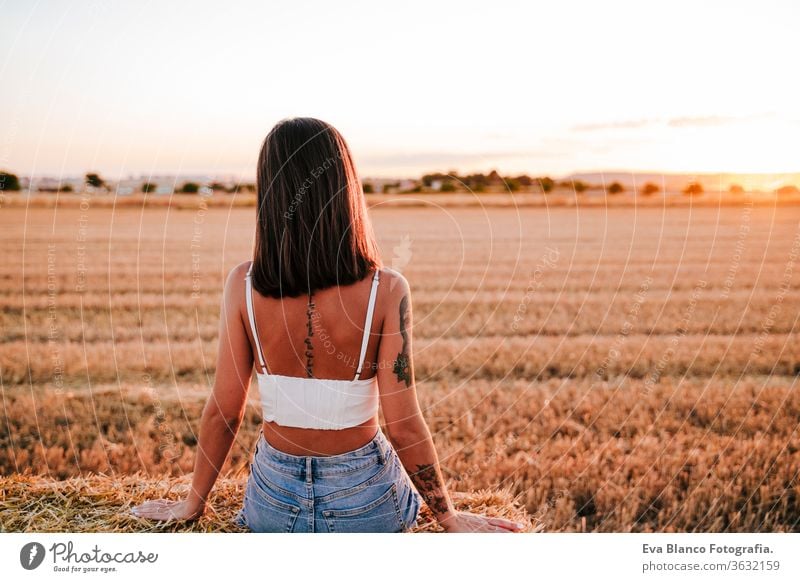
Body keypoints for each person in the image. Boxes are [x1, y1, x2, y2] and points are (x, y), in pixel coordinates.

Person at [131, 117, 523, 533]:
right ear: (344, 186)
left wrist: (194, 503)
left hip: (274, 502)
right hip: (365, 497)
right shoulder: (386, 290)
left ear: (271, 191)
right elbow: (404, 426)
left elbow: (224, 412)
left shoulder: (242, 285)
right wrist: (448, 517)